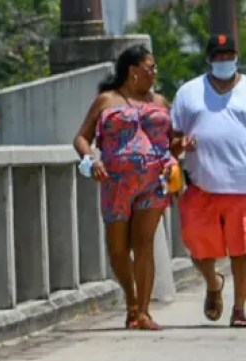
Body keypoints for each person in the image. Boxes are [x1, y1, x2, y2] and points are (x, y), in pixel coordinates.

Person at [72, 45, 174, 330]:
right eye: (150, 67)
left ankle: (143, 311)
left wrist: (178, 155)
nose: (154, 73)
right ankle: (131, 299)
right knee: (117, 248)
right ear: (133, 71)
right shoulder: (107, 101)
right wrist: (90, 160)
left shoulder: (162, 102)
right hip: (115, 183)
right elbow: (81, 138)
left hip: (153, 182)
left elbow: (173, 140)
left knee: (144, 245)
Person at [171, 33, 246, 328]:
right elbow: (172, 139)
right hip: (201, 186)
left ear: (236, 57)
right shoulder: (189, 93)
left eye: (229, 56)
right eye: (219, 56)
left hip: (242, 186)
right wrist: (181, 145)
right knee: (199, 249)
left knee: (243, 250)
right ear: (209, 59)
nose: (224, 61)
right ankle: (213, 284)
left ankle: (239, 308)